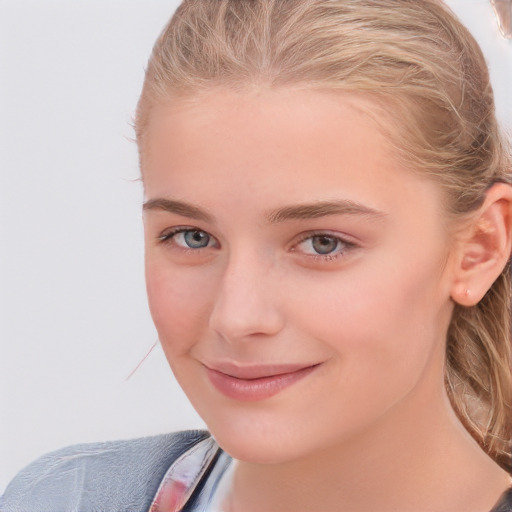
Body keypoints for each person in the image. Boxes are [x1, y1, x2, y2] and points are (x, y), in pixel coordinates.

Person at [2, 0, 511, 511]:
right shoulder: (62, 498)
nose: (236, 317)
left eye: (322, 243)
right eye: (192, 237)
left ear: (478, 249)